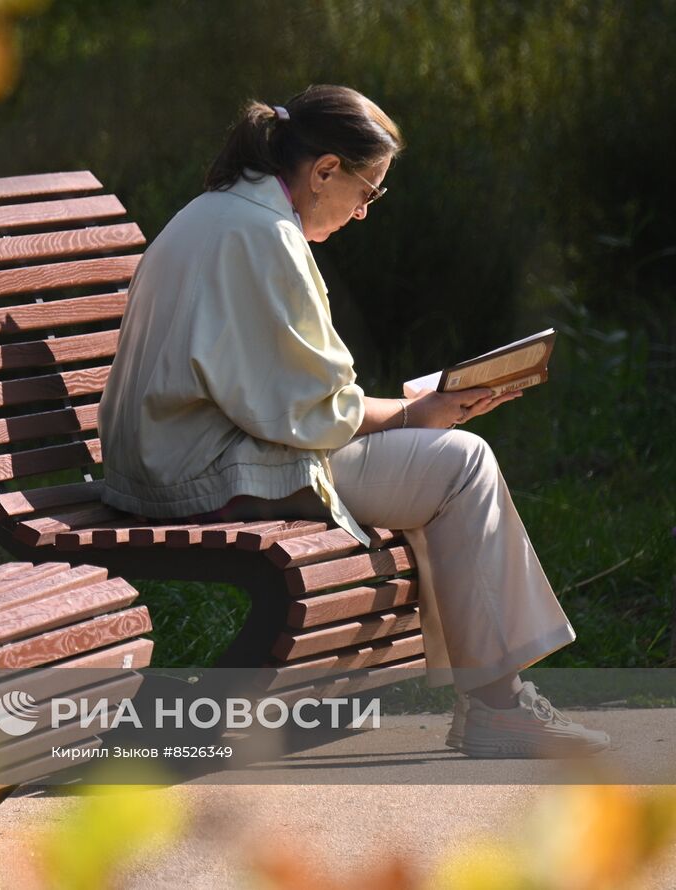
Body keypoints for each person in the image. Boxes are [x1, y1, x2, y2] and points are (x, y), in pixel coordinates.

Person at [98, 84, 608, 758]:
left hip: (174, 459)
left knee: (441, 458)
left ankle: (498, 705)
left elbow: (290, 398)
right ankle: (497, 708)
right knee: (460, 463)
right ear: (326, 170)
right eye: (368, 193)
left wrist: (411, 415)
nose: (363, 213)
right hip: (200, 474)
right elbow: (318, 411)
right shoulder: (265, 235)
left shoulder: (222, 212)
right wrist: (418, 413)